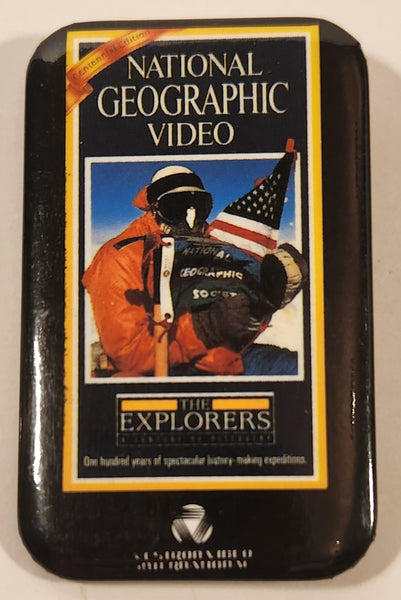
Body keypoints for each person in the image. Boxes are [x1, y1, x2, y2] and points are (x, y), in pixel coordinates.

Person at [83, 165, 306, 377]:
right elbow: (129, 354)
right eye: (175, 207)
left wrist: (265, 299)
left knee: (305, 368)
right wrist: (205, 327)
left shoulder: (217, 248)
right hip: (166, 370)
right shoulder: (122, 256)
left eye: (199, 207)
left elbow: (236, 327)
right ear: (156, 209)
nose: (190, 218)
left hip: (230, 361)